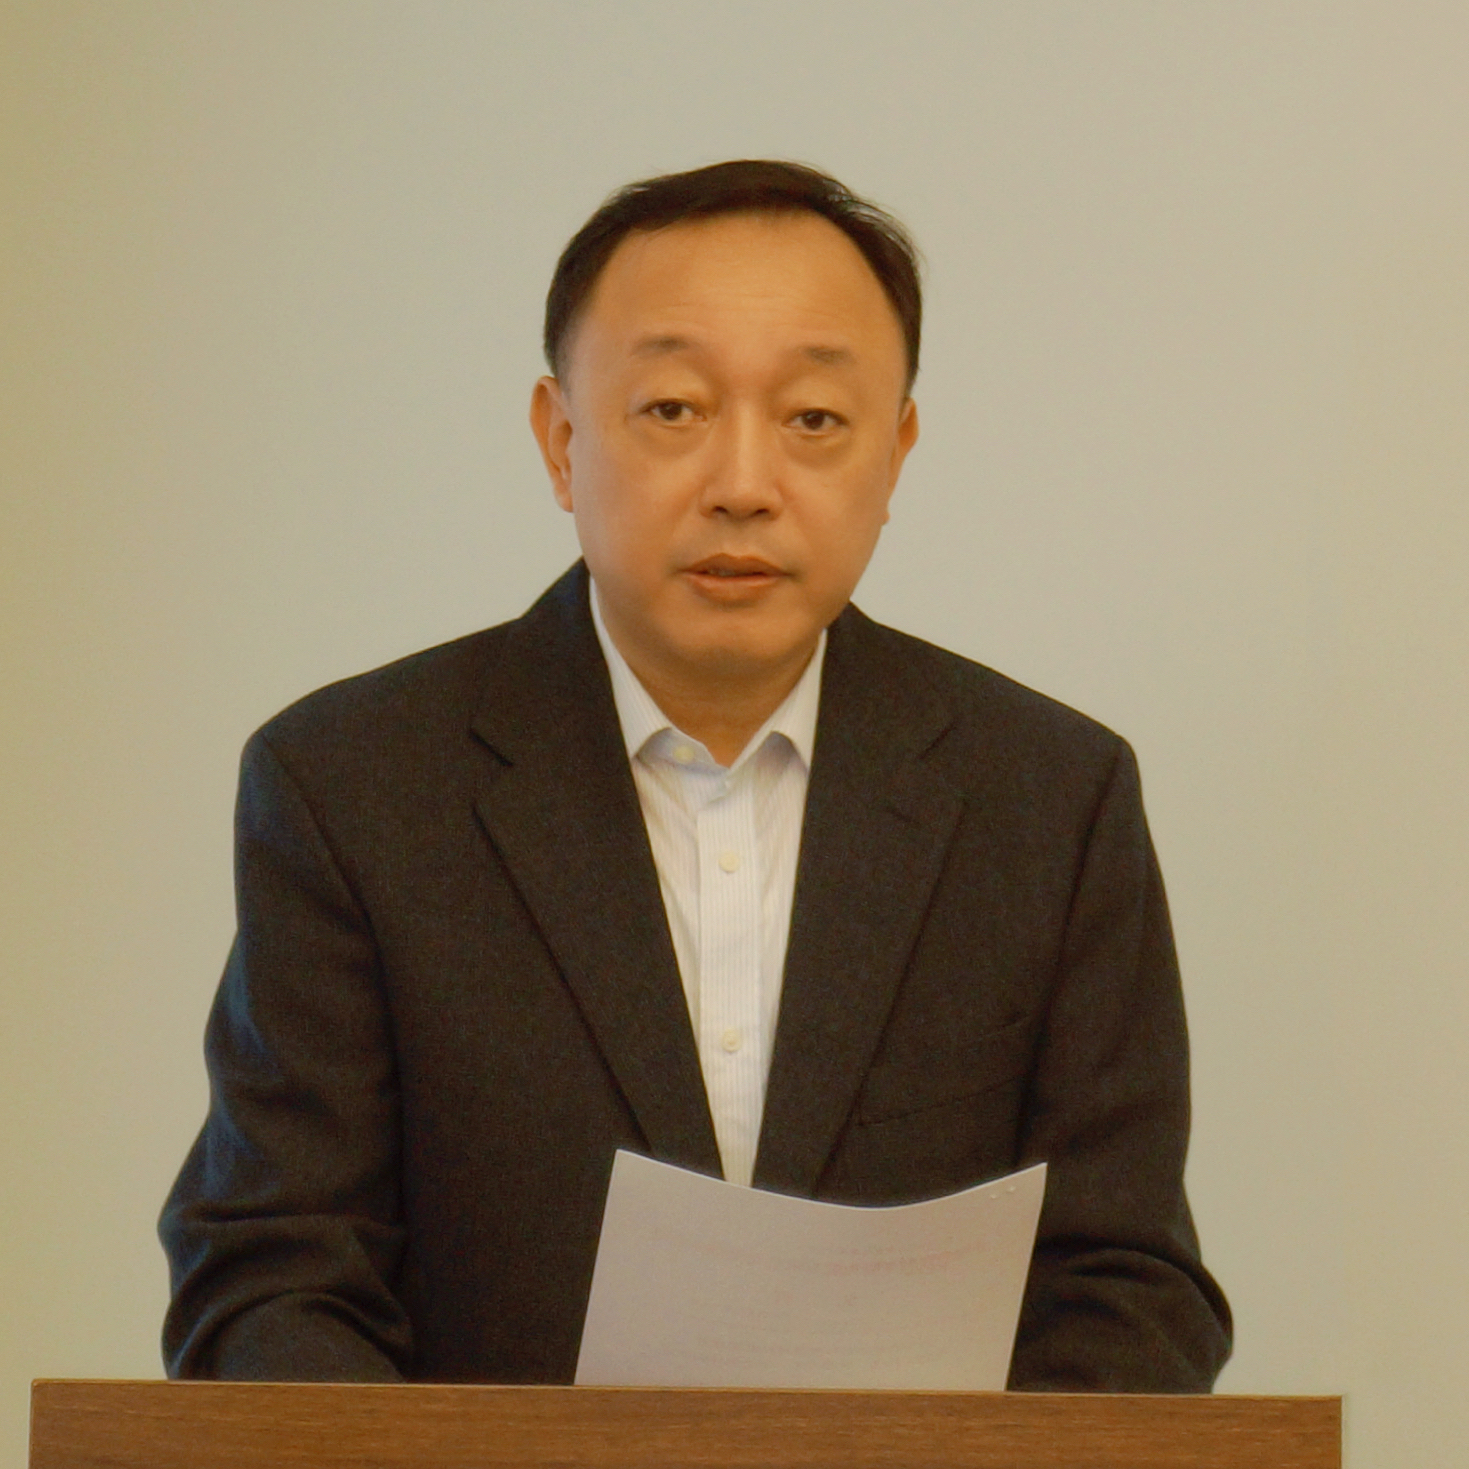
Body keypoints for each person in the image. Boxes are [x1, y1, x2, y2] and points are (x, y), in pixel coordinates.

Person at [160, 159, 1231, 1391]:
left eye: (812, 420)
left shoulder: (1048, 799)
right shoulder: (352, 786)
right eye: (672, 408)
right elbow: (276, 1274)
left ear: (894, 452)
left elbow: (1123, 1282)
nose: (741, 485)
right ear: (561, 440)